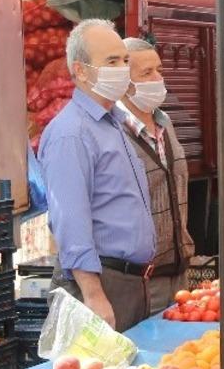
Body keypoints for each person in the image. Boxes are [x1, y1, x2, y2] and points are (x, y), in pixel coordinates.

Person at [36, 19, 156, 332]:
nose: (122, 69)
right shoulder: (71, 133)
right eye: (111, 62)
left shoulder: (114, 123)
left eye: (125, 60)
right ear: (81, 71)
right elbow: (70, 221)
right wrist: (93, 295)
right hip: (99, 285)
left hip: (130, 283)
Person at [116, 37, 194, 312]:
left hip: (178, 271)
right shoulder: (113, 132)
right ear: (123, 83)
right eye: (147, 73)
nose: (158, 79)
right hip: (140, 280)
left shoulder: (165, 123)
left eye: (159, 70)